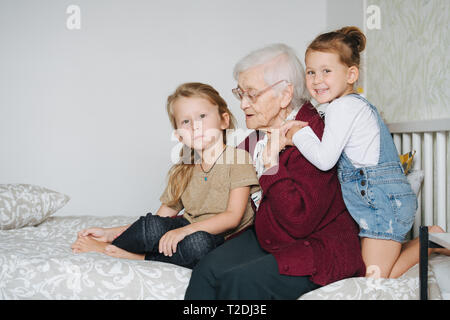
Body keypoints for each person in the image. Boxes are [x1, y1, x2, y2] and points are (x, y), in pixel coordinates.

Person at [184, 44, 366, 300]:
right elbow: (220, 177)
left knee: (240, 282)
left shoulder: (311, 134)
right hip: (269, 235)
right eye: (240, 93)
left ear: (284, 95)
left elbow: (298, 221)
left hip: (314, 246)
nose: (243, 104)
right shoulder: (256, 137)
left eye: (252, 94)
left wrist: (271, 164)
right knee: (206, 270)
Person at [282, 26, 449, 279]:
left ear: (351, 74)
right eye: (311, 72)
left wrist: (297, 135)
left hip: (381, 205)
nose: (317, 80)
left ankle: (430, 242)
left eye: (326, 71)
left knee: (374, 280)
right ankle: (425, 241)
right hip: (379, 203)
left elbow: (325, 160)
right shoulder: (348, 106)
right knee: (367, 268)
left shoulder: (343, 108)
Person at [71, 82, 260, 269]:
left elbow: (232, 217)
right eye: (186, 122)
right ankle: (114, 243)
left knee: (198, 244)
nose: (195, 126)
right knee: (152, 225)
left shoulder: (237, 159)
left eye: (202, 116)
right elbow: (161, 218)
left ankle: (139, 257)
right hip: (187, 227)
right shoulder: (186, 168)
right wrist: (113, 232)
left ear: (223, 120)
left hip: (220, 237)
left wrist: (184, 232)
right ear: (179, 135)